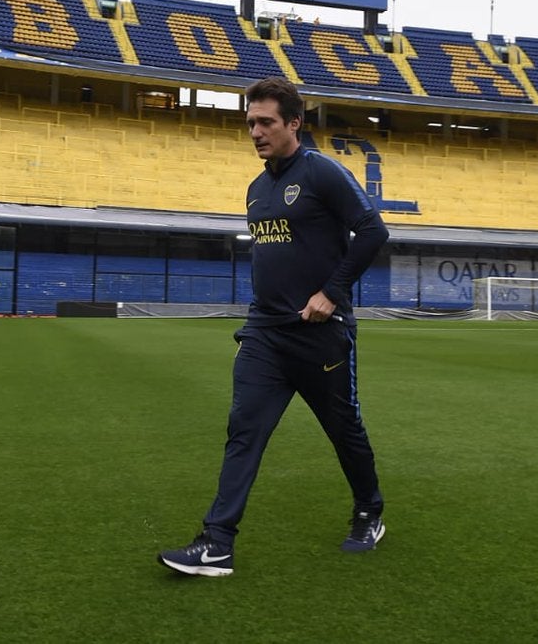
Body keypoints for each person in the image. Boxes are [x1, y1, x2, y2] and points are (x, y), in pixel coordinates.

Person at [158, 76, 390, 577]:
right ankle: (217, 542)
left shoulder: (323, 172)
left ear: (293, 123)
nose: (256, 132)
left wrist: (332, 292)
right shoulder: (256, 189)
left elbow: (374, 231)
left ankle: (369, 510)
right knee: (244, 432)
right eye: (250, 124)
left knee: (343, 430)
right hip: (264, 334)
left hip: (321, 336)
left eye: (266, 122)